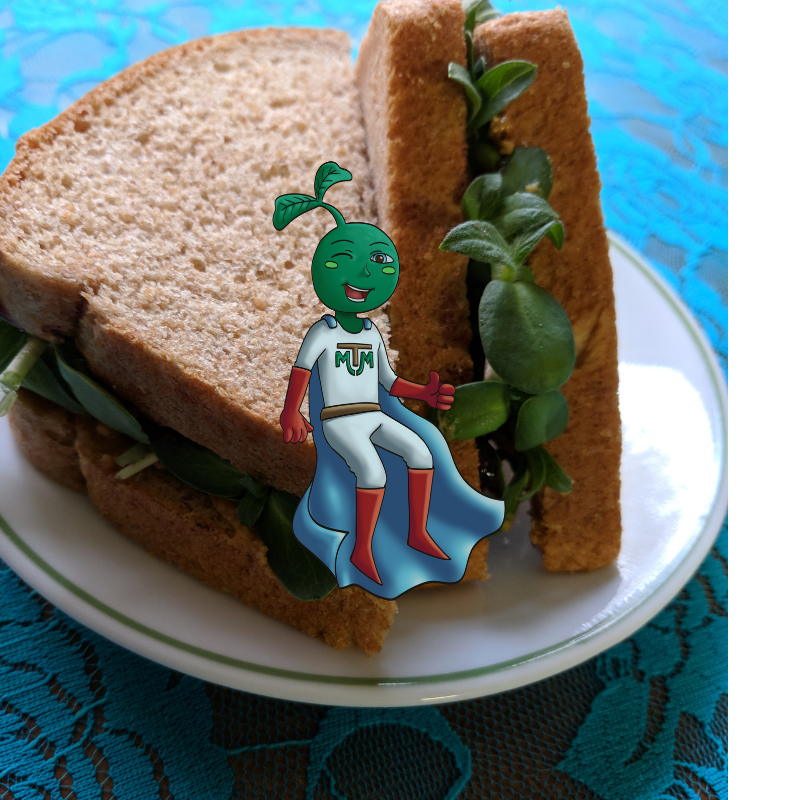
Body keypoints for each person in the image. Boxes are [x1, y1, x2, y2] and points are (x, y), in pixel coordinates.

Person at [275, 163, 503, 597]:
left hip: (372, 413)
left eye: (378, 262)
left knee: (421, 452)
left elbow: (389, 382)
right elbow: (302, 370)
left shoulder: (370, 333)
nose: (364, 275)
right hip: (340, 420)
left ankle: (418, 532)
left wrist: (425, 393)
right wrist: (291, 412)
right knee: (372, 472)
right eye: (345, 261)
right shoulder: (323, 332)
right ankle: (363, 550)